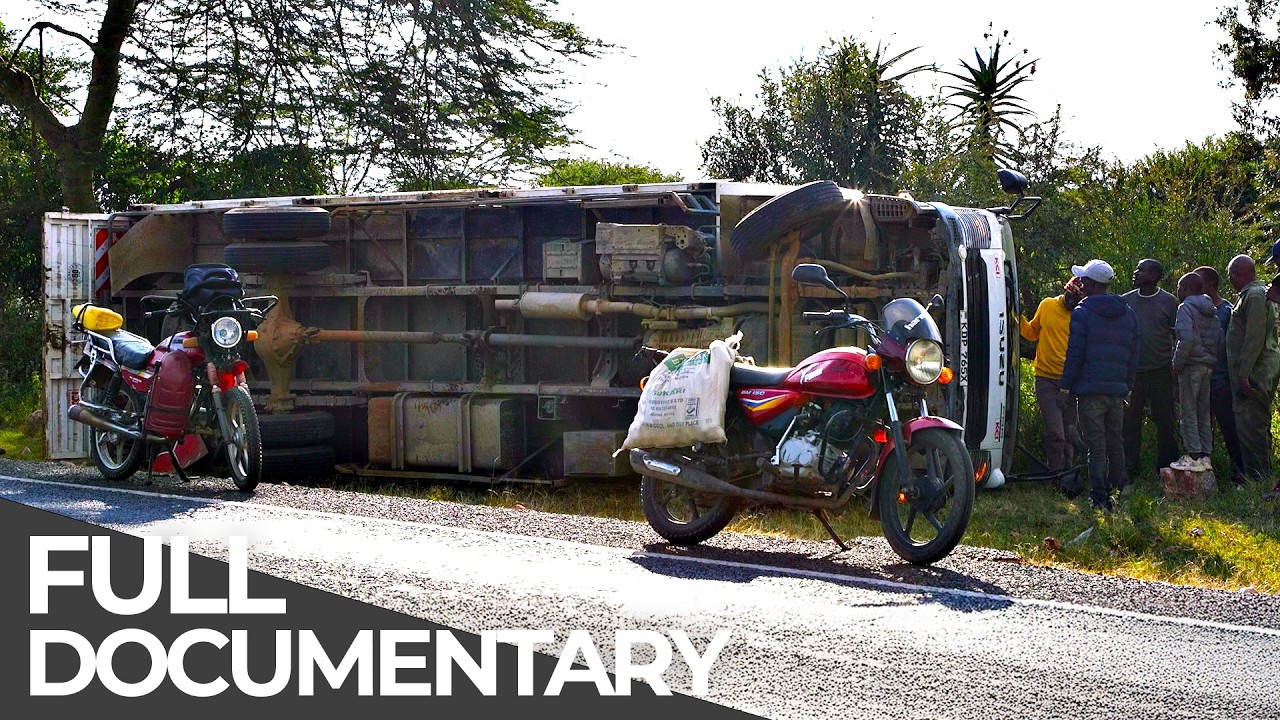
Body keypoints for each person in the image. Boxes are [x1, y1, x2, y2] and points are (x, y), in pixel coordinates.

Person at [1060, 259, 1138, 512]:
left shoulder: (1082, 313)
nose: (1080, 284)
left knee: (1096, 445)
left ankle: (1099, 498)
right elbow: (1133, 353)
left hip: (1090, 390)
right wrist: (1128, 386)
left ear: (1092, 284)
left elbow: (1075, 353)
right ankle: (1121, 490)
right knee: (1115, 441)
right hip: (1117, 390)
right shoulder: (1128, 313)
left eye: (1083, 280)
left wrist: (1065, 386)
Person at [1121, 258, 1181, 479]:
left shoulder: (1169, 302)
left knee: (1165, 422)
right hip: (1133, 373)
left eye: (1141, 270)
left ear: (1154, 276)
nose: (1136, 273)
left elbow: (1177, 336)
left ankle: (1167, 469)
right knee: (1129, 423)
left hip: (1161, 371)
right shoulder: (1126, 301)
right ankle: (1129, 470)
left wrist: (1175, 368)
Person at [1224, 254, 1280, 485]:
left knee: (1250, 427)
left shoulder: (1255, 296)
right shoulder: (1254, 294)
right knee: (1255, 425)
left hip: (1255, 373)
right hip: (1257, 370)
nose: (1230, 280)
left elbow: (1254, 337)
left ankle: (1258, 480)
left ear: (1238, 273)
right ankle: (1260, 477)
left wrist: (1244, 374)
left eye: (1231, 275)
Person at [1019, 276, 1085, 472]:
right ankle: (1055, 472)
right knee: (1056, 433)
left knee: (1070, 431)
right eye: (1070, 296)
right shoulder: (1047, 305)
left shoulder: (1081, 315)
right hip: (1046, 378)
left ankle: (1068, 471)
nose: (1072, 301)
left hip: (1071, 381)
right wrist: (1018, 317)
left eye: (1077, 299)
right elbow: (1031, 333)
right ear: (1065, 290)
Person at [1193, 265, 1245, 485]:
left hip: (1220, 381)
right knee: (1201, 429)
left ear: (1210, 285)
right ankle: (1203, 475)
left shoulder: (1226, 312)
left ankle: (1240, 473)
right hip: (1199, 381)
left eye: (1198, 282)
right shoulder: (1193, 309)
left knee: (1229, 428)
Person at [1170, 272, 1222, 472]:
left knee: (1188, 410)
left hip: (1191, 365)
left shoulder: (1185, 308)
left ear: (1184, 289)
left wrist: (1177, 363)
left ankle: (1193, 456)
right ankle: (1205, 456)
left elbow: (1186, 339)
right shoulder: (1211, 310)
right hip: (1208, 365)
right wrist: (1211, 358)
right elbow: (1220, 338)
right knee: (1203, 411)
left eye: (1179, 288)